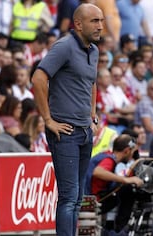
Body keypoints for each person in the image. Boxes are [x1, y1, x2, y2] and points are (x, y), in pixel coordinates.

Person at [31, 3, 103, 236]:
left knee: (78, 197)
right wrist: (48, 120)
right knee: (69, 197)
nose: (100, 26)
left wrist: (92, 114)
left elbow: (91, 81)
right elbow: (38, 79)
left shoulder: (94, 50)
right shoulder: (64, 46)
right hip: (65, 131)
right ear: (78, 24)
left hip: (84, 130)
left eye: (101, 21)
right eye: (95, 21)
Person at [85, 134, 144, 232]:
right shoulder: (109, 160)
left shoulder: (106, 155)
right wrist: (126, 180)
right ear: (126, 151)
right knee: (128, 190)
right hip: (91, 201)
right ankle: (120, 230)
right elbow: (97, 172)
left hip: (93, 197)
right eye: (132, 152)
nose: (132, 155)